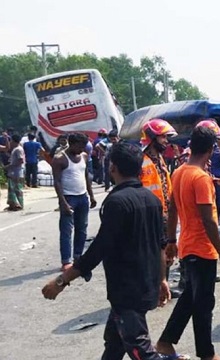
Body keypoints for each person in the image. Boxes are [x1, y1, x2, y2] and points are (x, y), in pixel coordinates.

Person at [42, 142, 171, 360]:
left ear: (112, 167)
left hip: (126, 290)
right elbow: (160, 246)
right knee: (114, 343)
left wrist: (62, 281)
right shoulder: (152, 200)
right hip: (145, 284)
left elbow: (99, 248)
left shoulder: (117, 202)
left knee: (142, 351)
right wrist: (161, 280)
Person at [155, 126, 220, 360]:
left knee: (190, 297)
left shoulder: (180, 172)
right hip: (202, 249)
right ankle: (206, 354)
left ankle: (166, 342)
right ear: (210, 150)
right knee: (203, 302)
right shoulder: (200, 178)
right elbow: (208, 220)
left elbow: (174, 208)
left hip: (188, 245)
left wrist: (171, 241)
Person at [139, 118, 183, 299]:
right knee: (151, 255)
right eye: (163, 137)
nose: (166, 141)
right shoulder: (140, 161)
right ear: (152, 138)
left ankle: (161, 285)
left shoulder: (160, 160)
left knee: (166, 253)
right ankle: (150, 288)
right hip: (148, 217)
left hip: (163, 215)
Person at [52, 132, 97, 271]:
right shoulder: (59, 159)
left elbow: (86, 178)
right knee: (66, 230)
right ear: (71, 144)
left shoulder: (83, 156)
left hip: (82, 196)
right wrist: (63, 203)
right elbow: (57, 182)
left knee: (82, 228)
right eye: (80, 146)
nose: (82, 149)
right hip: (68, 197)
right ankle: (66, 260)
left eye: (84, 146)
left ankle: (78, 256)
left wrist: (91, 195)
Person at [197, 119, 220, 221]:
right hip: (199, 180)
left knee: (214, 210)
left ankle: (214, 230)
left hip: (216, 183)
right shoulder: (194, 145)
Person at [4, 134, 25, 211]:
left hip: (16, 172)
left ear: (13, 141)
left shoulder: (18, 149)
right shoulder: (16, 149)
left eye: (11, 140)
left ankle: (18, 204)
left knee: (16, 189)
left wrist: (10, 166)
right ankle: (12, 205)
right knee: (12, 189)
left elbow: (20, 160)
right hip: (13, 172)